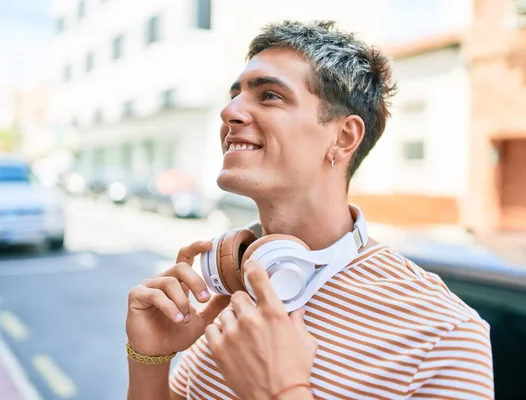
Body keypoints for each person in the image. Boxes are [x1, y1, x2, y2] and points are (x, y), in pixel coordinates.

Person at [126, 20, 494, 400]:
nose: (229, 111)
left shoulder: (444, 333)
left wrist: (279, 392)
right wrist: (148, 359)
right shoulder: (228, 285)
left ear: (343, 137)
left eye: (269, 95)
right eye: (234, 95)